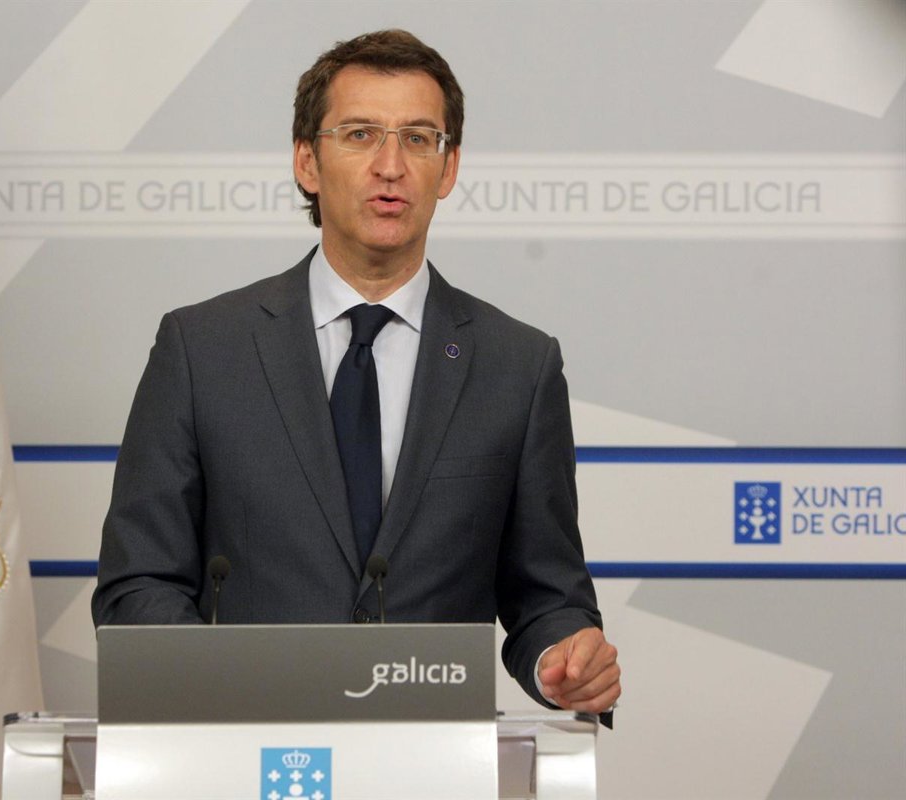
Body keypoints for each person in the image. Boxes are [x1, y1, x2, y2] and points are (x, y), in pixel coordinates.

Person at [93, 29, 621, 716]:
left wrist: (562, 658)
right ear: (306, 162)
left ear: (448, 168)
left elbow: (548, 597)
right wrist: (225, 693)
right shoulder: (202, 349)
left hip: (432, 749)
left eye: (419, 138)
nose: (391, 166)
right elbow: (138, 585)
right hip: (249, 743)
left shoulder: (518, 365)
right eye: (361, 135)